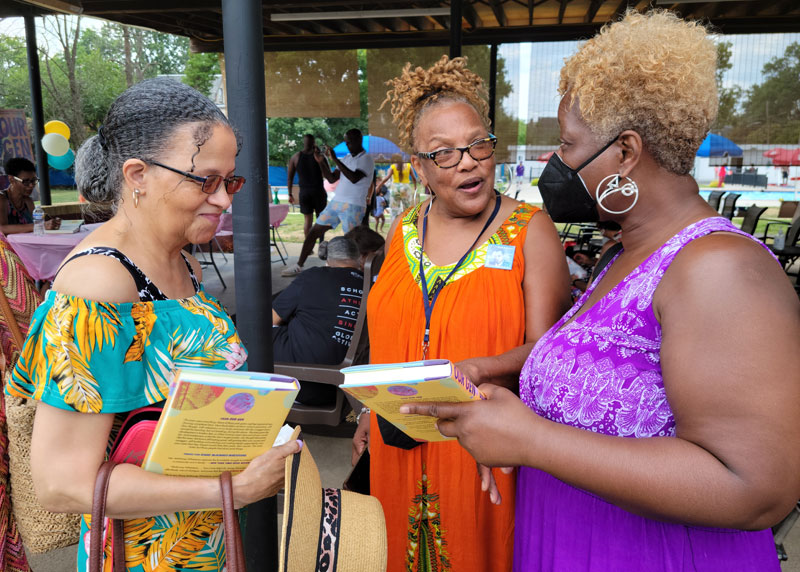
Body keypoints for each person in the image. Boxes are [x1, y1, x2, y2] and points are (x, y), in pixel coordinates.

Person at [401, 11, 800, 571]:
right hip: (566, 541)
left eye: (567, 144)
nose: (555, 163)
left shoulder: (719, 270)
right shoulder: (622, 254)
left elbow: (755, 487)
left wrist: (532, 440)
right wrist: (503, 380)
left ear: (625, 153)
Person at [5, 78, 302, 571]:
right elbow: (61, 483)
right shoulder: (99, 283)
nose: (225, 200)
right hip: (146, 555)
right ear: (138, 174)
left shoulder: (183, 262)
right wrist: (233, 488)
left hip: (205, 536)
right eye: (205, 180)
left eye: (230, 181)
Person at [355, 55, 571, 572]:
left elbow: (547, 351)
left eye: (478, 144)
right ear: (421, 166)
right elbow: (387, 330)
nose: (469, 162)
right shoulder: (403, 229)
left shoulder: (529, 230)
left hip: (483, 444)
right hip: (399, 437)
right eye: (445, 154)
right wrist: (367, 409)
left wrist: (478, 367)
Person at [273, 236, 364, 405]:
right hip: (347, 392)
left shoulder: (313, 276)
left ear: (328, 259)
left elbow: (271, 318)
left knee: (252, 328)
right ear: (359, 258)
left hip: (303, 384)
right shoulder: (370, 286)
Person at [281, 129, 374, 277]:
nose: (347, 144)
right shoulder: (346, 158)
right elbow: (331, 178)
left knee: (353, 240)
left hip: (353, 205)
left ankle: (360, 270)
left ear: (358, 140)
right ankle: (299, 265)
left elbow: (354, 177)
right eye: (346, 141)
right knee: (313, 232)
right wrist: (321, 162)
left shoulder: (366, 159)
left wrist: (335, 159)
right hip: (336, 203)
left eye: (349, 141)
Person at [0, 158, 60, 234]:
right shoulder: (2, 199)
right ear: (11, 179)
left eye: (33, 181)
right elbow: (2, 228)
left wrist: (50, 221)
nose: (31, 185)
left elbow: (38, 221)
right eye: (25, 181)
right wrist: (39, 225)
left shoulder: (28, 201)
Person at [286, 134, 327, 240]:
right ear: (314, 143)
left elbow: (290, 178)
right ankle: (321, 244)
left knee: (308, 221)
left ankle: (308, 247)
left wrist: (289, 193)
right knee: (321, 220)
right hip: (318, 191)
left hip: (305, 193)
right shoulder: (319, 156)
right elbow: (327, 173)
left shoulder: (296, 157)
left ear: (303, 143)